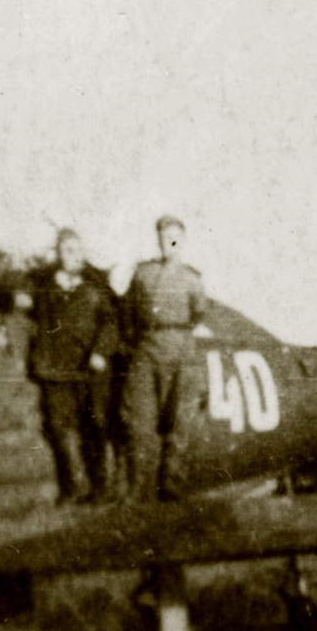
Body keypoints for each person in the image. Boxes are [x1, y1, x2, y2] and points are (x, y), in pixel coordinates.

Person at [18, 228, 120, 503]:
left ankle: (99, 488)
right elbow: (13, 295)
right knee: (58, 430)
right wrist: (18, 296)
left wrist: (101, 351)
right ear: (58, 254)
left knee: (94, 427)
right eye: (67, 251)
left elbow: (111, 323)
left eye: (78, 250)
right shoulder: (42, 284)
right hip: (54, 370)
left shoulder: (96, 285)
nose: (73, 256)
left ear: (84, 254)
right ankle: (70, 488)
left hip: (88, 370)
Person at [120, 215, 207, 502]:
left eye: (174, 237)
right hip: (148, 347)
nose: (168, 242)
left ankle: (171, 482)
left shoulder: (192, 278)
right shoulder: (143, 273)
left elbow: (197, 314)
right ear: (158, 240)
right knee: (139, 418)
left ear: (181, 241)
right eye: (163, 236)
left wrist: (176, 334)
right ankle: (138, 485)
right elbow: (130, 310)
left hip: (182, 349)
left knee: (181, 420)